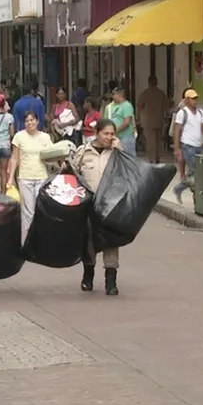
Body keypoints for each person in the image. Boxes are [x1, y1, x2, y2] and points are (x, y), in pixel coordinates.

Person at [73, 118, 123, 295]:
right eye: (105, 133)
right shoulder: (83, 152)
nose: (109, 137)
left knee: (111, 242)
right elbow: (73, 173)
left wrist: (120, 149)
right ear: (97, 133)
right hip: (89, 205)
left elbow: (130, 170)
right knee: (88, 241)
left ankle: (111, 282)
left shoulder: (117, 152)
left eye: (112, 134)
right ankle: (88, 277)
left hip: (111, 204)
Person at [7, 111, 54, 241]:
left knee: (40, 210)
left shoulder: (45, 137)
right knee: (28, 211)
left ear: (37, 121)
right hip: (25, 177)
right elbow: (15, 158)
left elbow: (53, 154)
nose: (30, 123)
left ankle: (40, 240)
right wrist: (10, 178)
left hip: (42, 177)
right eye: (27, 121)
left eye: (32, 120)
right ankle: (27, 241)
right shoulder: (19, 137)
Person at [171, 89, 203, 204]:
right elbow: (177, 131)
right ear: (186, 100)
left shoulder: (200, 113)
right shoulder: (182, 113)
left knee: (197, 172)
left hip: (198, 146)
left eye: (196, 98)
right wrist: (176, 148)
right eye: (192, 98)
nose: (195, 101)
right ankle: (196, 198)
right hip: (187, 146)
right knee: (195, 171)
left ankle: (179, 188)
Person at [137, 76, 168, 163]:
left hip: (147, 122)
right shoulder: (161, 93)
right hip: (159, 120)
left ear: (149, 82)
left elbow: (139, 107)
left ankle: (151, 159)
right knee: (158, 141)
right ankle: (157, 158)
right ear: (157, 82)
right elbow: (166, 107)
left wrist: (137, 118)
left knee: (150, 142)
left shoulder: (144, 94)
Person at [107, 87, 136, 156]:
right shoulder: (116, 106)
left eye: (114, 94)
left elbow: (126, 122)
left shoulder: (127, 105)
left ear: (119, 95)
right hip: (118, 137)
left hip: (126, 137)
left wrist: (115, 131)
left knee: (128, 158)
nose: (112, 96)